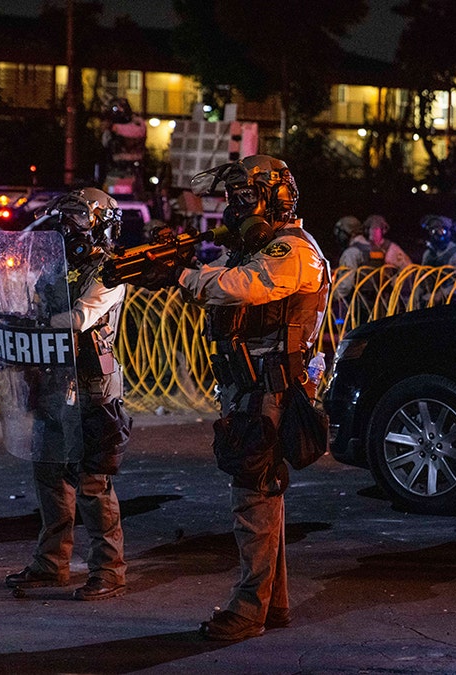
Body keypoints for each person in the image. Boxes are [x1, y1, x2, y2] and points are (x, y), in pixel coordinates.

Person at [129, 155, 329, 640]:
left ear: (273, 198)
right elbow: (217, 274)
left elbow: (243, 287)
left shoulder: (291, 250)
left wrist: (181, 275)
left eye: (244, 198)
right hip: (253, 386)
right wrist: (163, 261)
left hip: (272, 390)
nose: (233, 208)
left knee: (253, 498)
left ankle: (248, 609)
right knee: (264, 498)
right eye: (232, 199)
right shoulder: (256, 248)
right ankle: (270, 604)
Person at [4, 188, 133, 602]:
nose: (67, 226)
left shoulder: (109, 269)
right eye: (65, 217)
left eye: (77, 216)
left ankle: (109, 570)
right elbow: (41, 309)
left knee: (93, 484)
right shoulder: (56, 269)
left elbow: (80, 318)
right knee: (50, 476)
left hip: (94, 389)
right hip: (55, 383)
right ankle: (50, 563)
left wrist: (36, 327)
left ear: (101, 223)